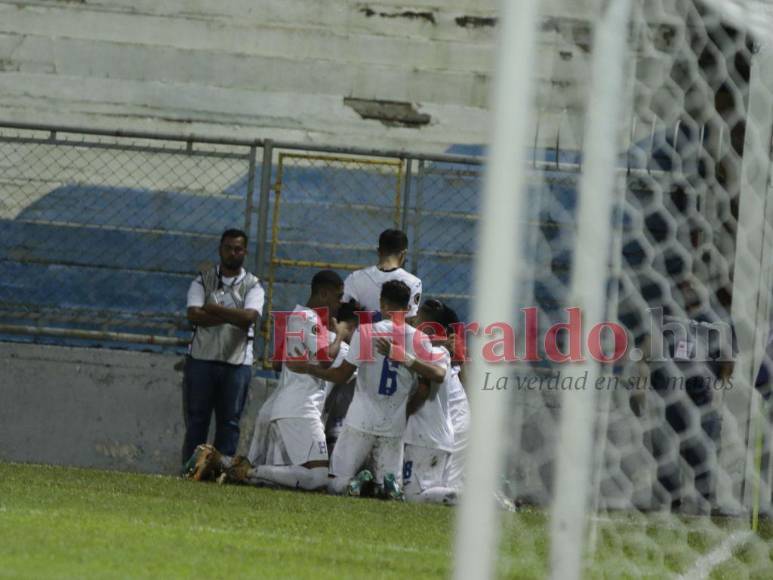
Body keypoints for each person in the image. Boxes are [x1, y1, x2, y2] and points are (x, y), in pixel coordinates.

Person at [287, 280, 446, 498]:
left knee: (335, 482)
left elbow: (341, 375)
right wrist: (407, 359)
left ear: (383, 304)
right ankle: (386, 485)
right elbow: (438, 374)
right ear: (407, 307)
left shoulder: (367, 332)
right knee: (391, 490)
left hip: (360, 421)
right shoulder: (419, 338)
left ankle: (355, 484)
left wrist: (307, 368)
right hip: (394, 425)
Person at [181, 228, 264, 466]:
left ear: (245, 252)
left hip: (237, 363)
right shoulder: (202, 280)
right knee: (197, 421)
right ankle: (191, 468)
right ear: (220, 249)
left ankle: (220, 470)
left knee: (230, 422)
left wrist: (214, 308)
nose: (232, 253)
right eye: (228, 248)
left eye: (238, 249)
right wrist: (233, 316)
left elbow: (248, 318)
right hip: (201, 360)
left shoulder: (253, 285)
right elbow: (194, 315)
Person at [402, 299, 459, 505]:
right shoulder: (441, 353)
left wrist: (402, 415)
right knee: (435, 498)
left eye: (420, 321)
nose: (415, 325)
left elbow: (424, 389)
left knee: (413, 497)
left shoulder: (432, 353)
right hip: (439, 438)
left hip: (423, 437)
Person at [343, 229, 422, 321]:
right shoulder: (413, 282)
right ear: (403, 254)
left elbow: (344, 313)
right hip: (394, 334)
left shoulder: (355, 278)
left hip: (360, 333)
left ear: (378, 251)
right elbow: (409, 320)